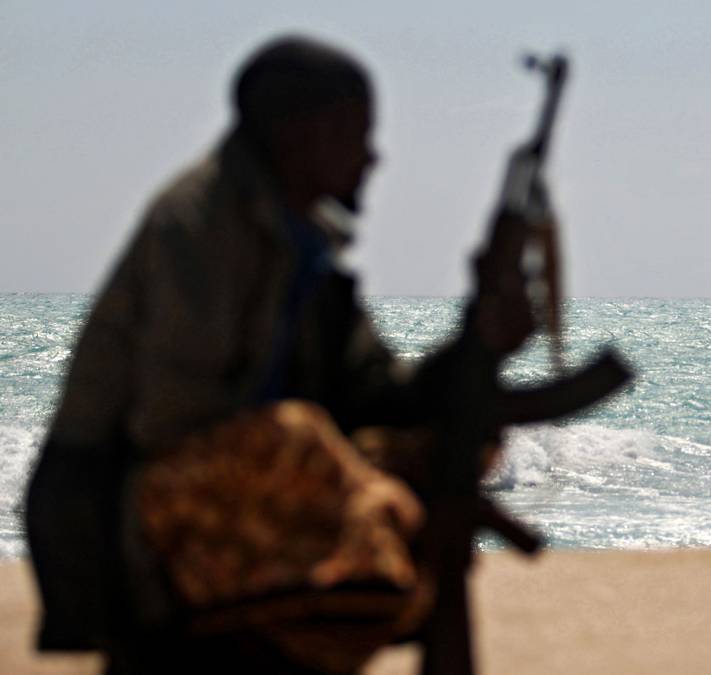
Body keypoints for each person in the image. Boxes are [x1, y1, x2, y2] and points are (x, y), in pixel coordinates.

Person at [24, 35, 536, 674]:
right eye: (355, 135)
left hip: (231, 479)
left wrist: (478, 341)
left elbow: (377, 390)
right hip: (124, 505)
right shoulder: (200, 226)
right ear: (300, 137)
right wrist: (350, 480)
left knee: (448, 442)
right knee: (296, 434)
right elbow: (172, 424)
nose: (372, 157)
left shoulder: (307, 249)